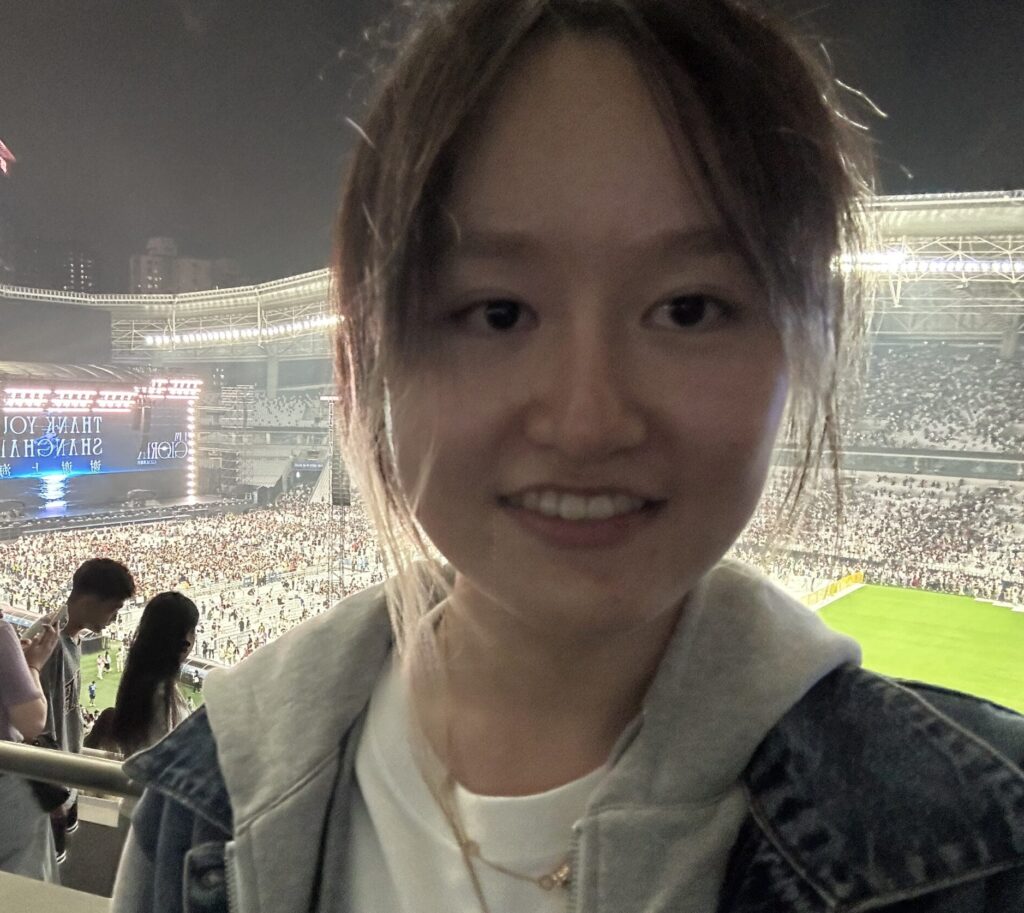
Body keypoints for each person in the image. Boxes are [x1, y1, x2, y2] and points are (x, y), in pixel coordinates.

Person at [112, 2, 1024, 911]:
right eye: (498, 312)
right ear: (368, 358)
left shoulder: (985, 849)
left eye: (689, 309)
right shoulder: (203, 805)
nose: (589, 421)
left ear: (802, 344)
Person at [36, 557, 136, 862]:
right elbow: (33, 728)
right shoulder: (46, 642)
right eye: (113, 608)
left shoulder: (71, 637)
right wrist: (50, 790)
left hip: (64, 778)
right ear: (91, 601)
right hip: (48, 786)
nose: (114, 619)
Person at [85, 592, 198, 757]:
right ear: (185, 642)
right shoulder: (159, 692)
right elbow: (162, 758)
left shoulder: (143, 681)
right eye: (193, 631)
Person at [0, 614, 60, 882]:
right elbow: (33, 722)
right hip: (6, 789)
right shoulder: (1, 632)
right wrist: (33, 666)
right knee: (23, 890)